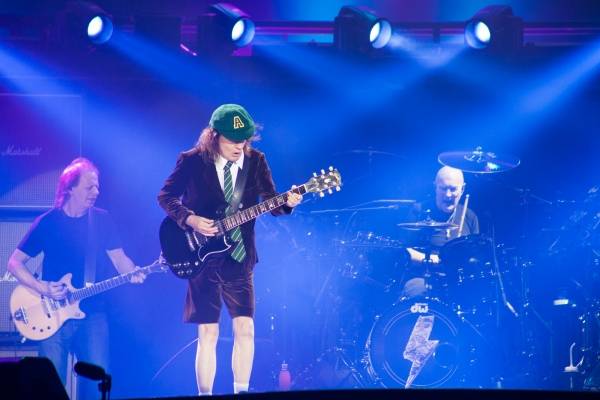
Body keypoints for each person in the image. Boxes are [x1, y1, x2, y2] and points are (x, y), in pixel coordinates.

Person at [157, 104, 302, 395]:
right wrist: (190, 219)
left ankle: (241, 393)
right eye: (233, 140)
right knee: (208, 331)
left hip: (239, 256)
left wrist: (287, 202)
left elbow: (271, 202)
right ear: (214, 137)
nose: (239, 146)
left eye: (244, 140)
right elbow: (166, 196)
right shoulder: (192, 161)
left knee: (245, 329)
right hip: (201, 256)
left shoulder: (256, 161)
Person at [7, 157, 144, 399]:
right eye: (89, 187)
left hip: (93, 315)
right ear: (70, 188)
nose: (96, 192)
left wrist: (135, 271)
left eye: (98, 186)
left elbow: (120, 260)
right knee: (50, 388)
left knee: (98, 384)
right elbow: (14, 263)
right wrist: (43, 288)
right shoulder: (48, 222)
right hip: (51, 316)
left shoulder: (102, 220)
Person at [402, 165, 479, 297]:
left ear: (462, 189)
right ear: (435, 187)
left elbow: (475, 255)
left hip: (457, 281)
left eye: (453, 189)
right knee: (415, 289)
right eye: (443, 188)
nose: (448, 195)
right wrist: (436, 261)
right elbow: (404, 251)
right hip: (424, 278)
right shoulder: (419, 211)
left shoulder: (469, 216)